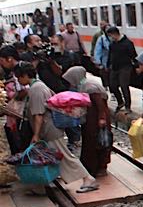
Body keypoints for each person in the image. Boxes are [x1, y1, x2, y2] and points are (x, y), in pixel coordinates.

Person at [14, 62, 99, 193]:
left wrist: (36, 134)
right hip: (49, 129)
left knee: (64, 156)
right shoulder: (39, 85)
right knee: (46, 158)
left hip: (49, 130)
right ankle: (40, 186)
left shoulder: (36, 89)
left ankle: (88, 179)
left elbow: (38, 115)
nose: (19, 80)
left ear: (25, 75)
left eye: (19, 77)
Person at [62, 67, 110, 177]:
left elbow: (100, 104)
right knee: (91, 141)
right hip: (90, 118)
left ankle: (100, 167)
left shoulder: (90, 87)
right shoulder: (84, 85)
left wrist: (101, 118)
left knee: (98, 141)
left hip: (96, 118)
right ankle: (91, 166)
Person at [0, 46, 28, 156]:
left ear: (10, 59)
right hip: (18, 113)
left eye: (2, 61)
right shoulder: (19, 68)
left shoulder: (19, 70)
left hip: (21, 113)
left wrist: (10, 103)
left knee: (18, 141)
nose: (2, 64)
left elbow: (24, 90)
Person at [107, 26, 136, 112]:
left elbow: (133, 55)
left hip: (125, 67)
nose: (111, 37)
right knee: (112, 85)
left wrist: (136, 66)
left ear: (115, 34)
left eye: (111, 35)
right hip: (115, 67)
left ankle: (128, 106)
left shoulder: (127, 43)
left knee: (124, 86)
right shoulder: (112, 44)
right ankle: (120, 102)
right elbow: (110, 55)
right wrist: (108, 64)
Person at [93, 23, 111, 88]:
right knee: (105, 76)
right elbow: (98, 51)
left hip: (113, 61)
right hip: (105, 61)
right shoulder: (101, 39)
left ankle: (112, 90)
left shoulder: (114, 38)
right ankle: (106, 87)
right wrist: (97, 62)